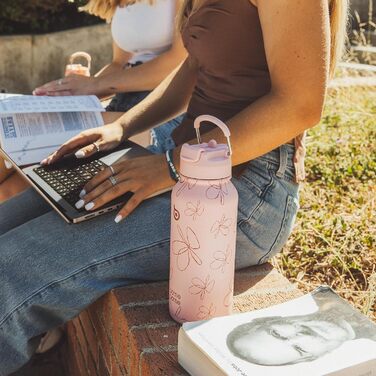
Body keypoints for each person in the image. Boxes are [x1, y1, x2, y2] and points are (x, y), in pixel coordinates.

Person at [0, 0, 349, 374]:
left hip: (245, 192)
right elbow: (193, 66)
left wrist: (170, 166)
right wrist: (122, 128)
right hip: (180, 161)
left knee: (12, 268)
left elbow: (300, 104)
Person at [0, 0, 187, 202]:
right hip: (123, 101)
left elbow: (178, 63)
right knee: (7, 175)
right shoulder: (117, 3)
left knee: (19, 185)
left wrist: (95, 85)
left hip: (161, 109)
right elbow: (118, 64)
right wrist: (76, 92)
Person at [226, 287, 376, 366]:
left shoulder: (320, 294)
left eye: (277, 334)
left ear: (268, 319)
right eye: (300, 348)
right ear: (314, 357)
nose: (300, 336)